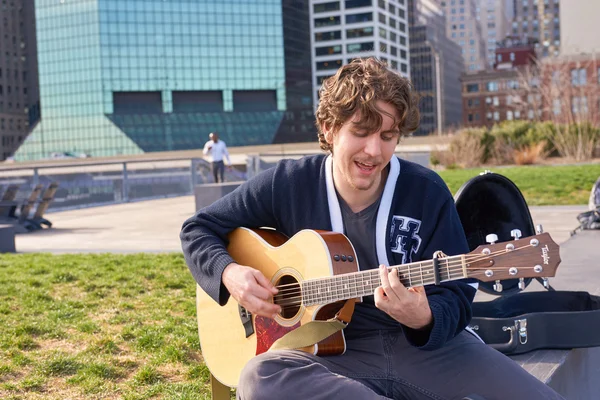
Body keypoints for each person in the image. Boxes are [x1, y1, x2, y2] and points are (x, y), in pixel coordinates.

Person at [181, 58, 564, 400]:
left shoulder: (426, 190)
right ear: (329, 129)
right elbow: (198, 229)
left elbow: (458, 295)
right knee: (259, 377)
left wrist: (425, 317)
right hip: (329, 357)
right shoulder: (288, 183)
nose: (374, 151)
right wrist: (231, 274)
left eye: (387, 135)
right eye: (361, 132)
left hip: (425, 352)